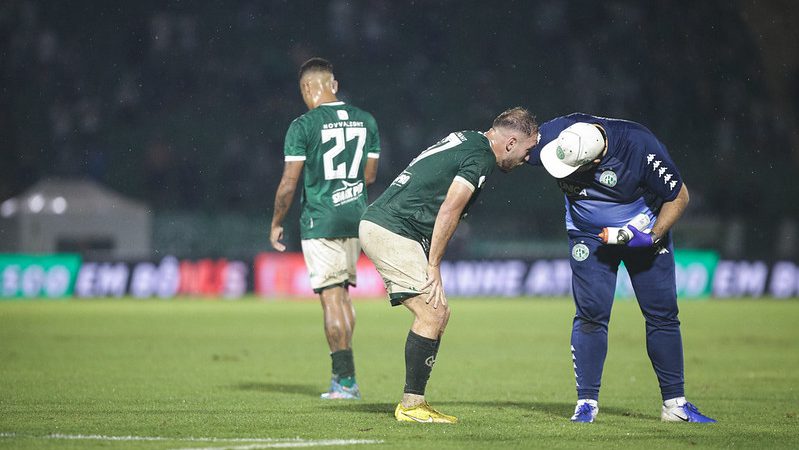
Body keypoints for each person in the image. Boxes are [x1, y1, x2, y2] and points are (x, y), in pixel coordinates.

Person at [526, 113, 715, 423]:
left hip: (643, 234)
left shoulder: (641, 147)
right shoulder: (558, 135)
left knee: (662, 314)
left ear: (596, 159)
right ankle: (586, 403)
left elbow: (679, 196)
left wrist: (652, 237)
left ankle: (675, 405)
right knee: (590, 314)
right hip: (588, 237)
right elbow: (513, 146)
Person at [359, 107, 538, 423]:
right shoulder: (481, 157)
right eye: (527, 150)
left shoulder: (469, 139)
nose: (527, 159)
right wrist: (434, 266)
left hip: (392, 226)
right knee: (433, 312)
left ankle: (416, 403)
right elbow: (449, 210)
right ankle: (411, 407)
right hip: (393, 229)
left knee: (439, 313)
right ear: (511, 143)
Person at [270, 57, 380, 400]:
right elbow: (371, 176)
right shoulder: (366, 120)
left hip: (322, 219)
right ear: (332, 85)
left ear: (306, 89)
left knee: (331, 299)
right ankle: (348, 378)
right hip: (356, 217)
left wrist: (276, 221)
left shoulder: (303, 125)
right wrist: (349, 192)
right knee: (343, 296)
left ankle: (344, 381)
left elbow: (289, 183)